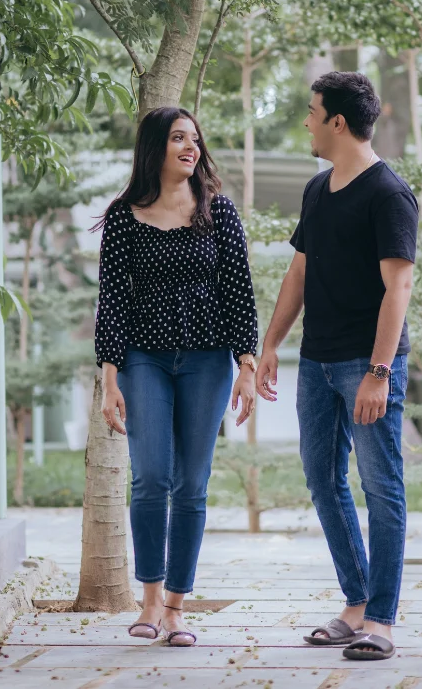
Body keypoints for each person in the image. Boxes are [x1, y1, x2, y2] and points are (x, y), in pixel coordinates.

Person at [256, 71, 418, 663]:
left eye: (312, 111)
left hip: (368, 365)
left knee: (382, 487)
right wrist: (271, 342)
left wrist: (379, 371)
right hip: (318, 363)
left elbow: (398, 288)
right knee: (323, 482)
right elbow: (298, 272)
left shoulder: (388, 193)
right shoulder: (317, 189)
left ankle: (381, 620)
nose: (306, 121)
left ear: (338, 123)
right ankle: (355, 604)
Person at [94, 106, 258, 647]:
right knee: (150, 479)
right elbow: (112, 302)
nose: (190, 147)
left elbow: (238, 292)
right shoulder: (124, 216)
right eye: (177, 138)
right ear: (154, 149)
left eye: (194, 138)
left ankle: (176, 609)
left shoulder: (219, 211)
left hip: (209, 360)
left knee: (191, 484)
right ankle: (146, 601)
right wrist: (109, 378)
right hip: (145, 358)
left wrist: (247, 365)